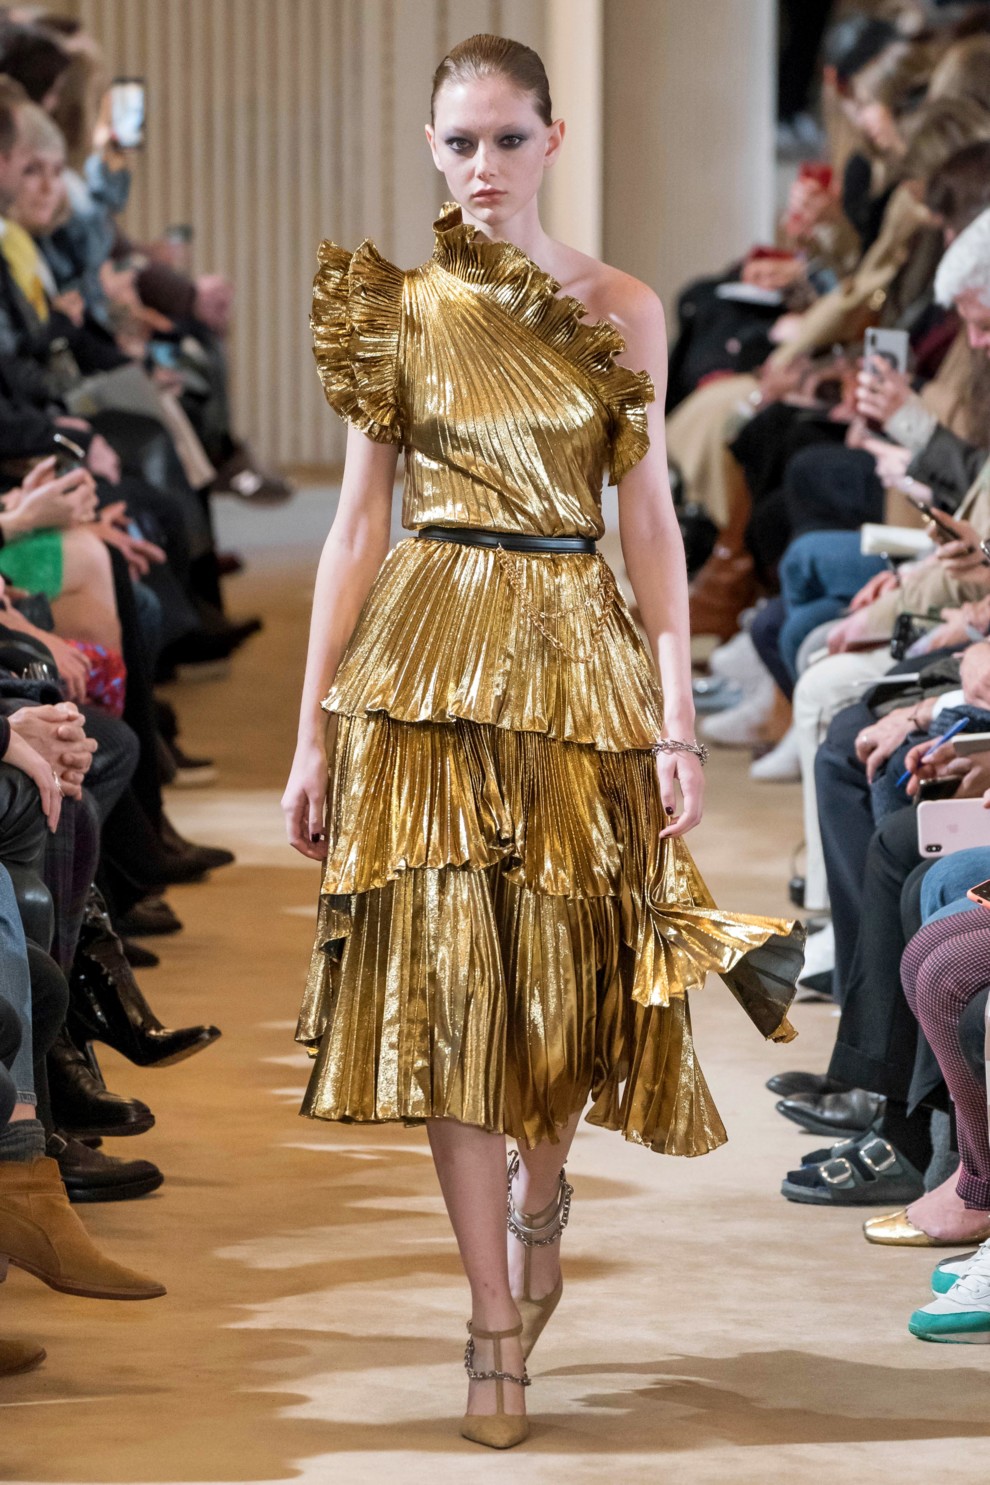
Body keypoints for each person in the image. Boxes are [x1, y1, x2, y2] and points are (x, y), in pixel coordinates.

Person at [282, 33, 803, 1450]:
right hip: (425, 664)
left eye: (507, 138)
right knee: (453, 987)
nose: (482, 166)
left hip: (573, 656)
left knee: (565, 978)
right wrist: (313, 733)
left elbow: (651, 525)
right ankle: (490, 1326)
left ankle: (543, 1195)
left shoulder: (622, 309)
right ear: (430, 149)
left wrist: (676, 718)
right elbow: (352, 529)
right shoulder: (396, 311)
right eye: (458, 142)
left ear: (553, 141)